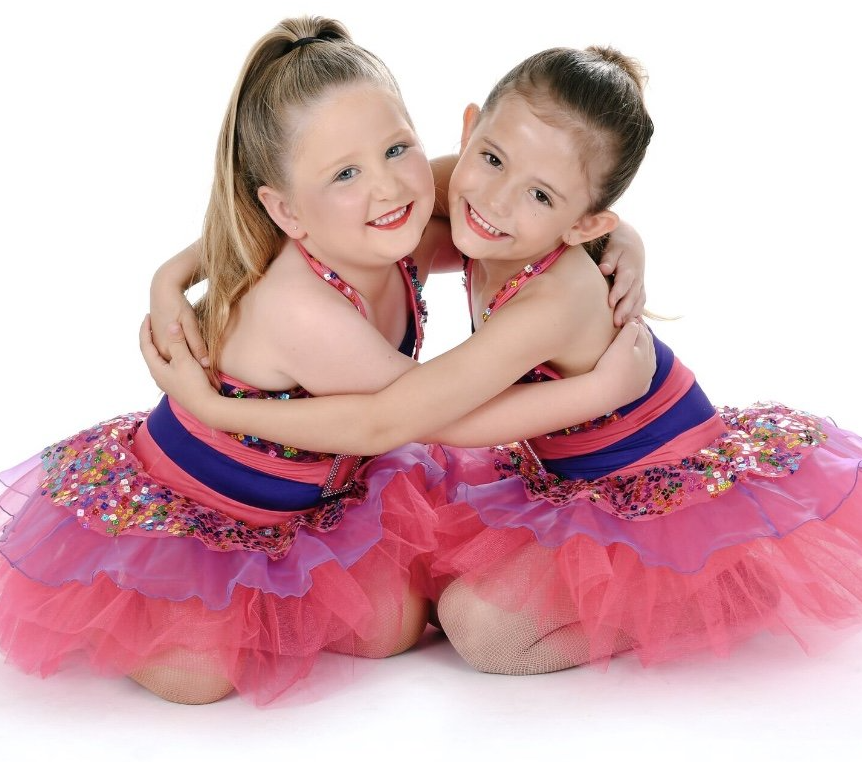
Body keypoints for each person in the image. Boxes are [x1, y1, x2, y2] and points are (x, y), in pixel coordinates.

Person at [143, 43, 862, 678]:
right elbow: (329, 222)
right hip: (528, 471)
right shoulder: (447, 207)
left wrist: (609, 348)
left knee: (483, 633)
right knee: (357, 628)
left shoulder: (535, 280)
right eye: (488, 159)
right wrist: (175, 275)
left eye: (540, 195)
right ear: (468, 134)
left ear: (584, 221)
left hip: (651, 480)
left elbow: (422, 415)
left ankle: (713, 584)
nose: (489, 200)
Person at [0, 17, 652, 708]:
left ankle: (281, 591)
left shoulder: (405, 213)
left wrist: (625, 238)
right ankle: (146, 607)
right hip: (206, 510)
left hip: (315, 499)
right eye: (345, 172)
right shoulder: (304, 309)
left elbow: (535, 201)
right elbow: (407, 418)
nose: (387, 186)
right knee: (196, 679)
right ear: (287, 211)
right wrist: (604, 390)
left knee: (393, 628)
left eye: (397, 147)